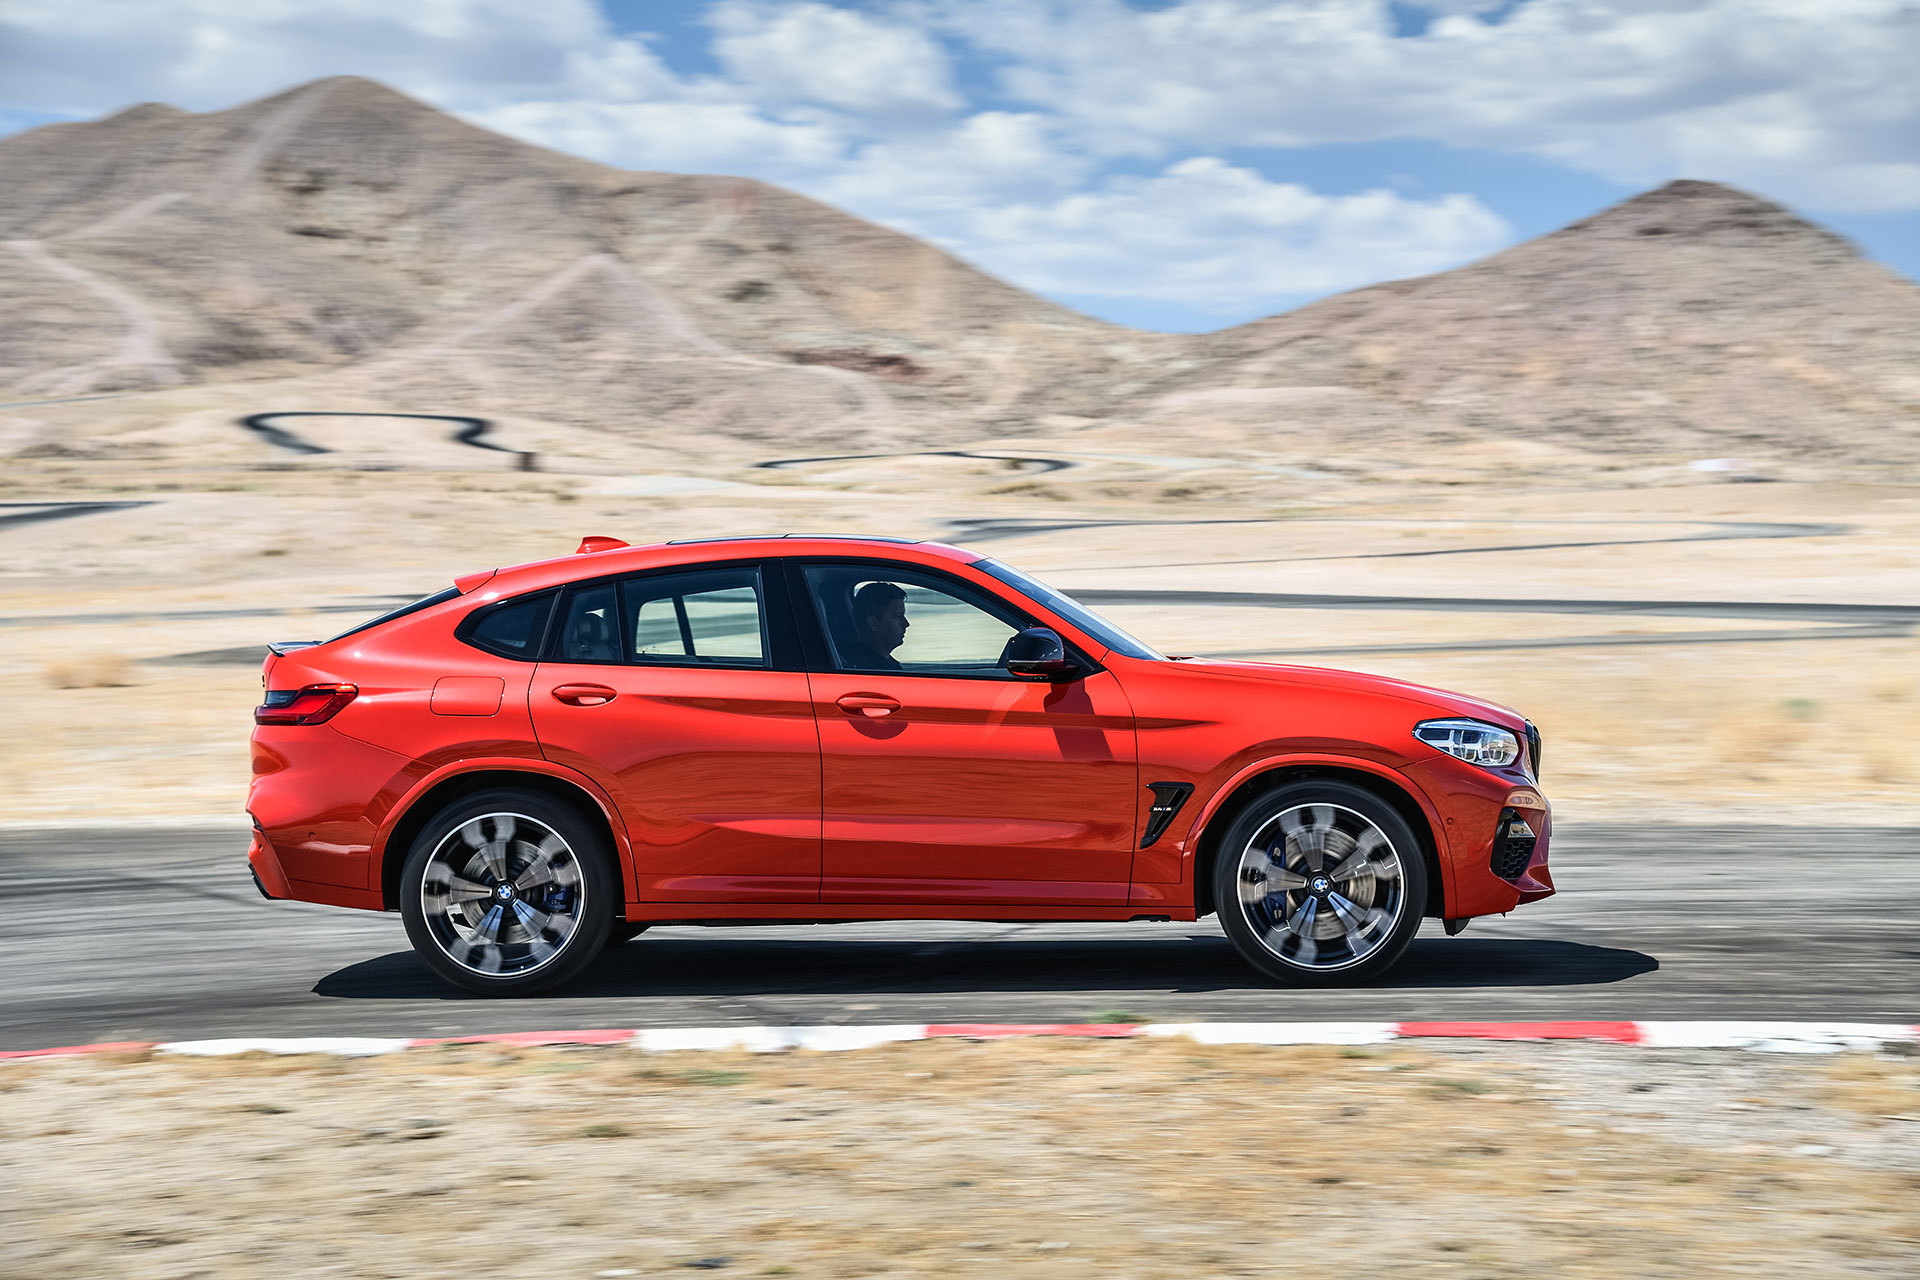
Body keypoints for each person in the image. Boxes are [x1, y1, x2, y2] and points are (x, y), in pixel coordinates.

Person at [843, 580, 908, 669]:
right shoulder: (870, 669)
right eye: (898, 616)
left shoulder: (885, 664)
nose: (906, 624)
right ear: (873, 624)